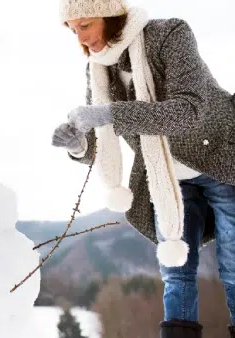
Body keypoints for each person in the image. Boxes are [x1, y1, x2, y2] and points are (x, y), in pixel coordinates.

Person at [51, 0, 235, 337]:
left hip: (221, 161)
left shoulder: (170, 34)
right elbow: (98, 140)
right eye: (73, 30)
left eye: (86, 25)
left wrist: (110, 114)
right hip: (166, 178)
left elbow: (187, 110)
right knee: (176, 271)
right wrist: (77, 145)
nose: (81, 38)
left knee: (234, 268)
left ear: (109, 16)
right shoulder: (98, 67)